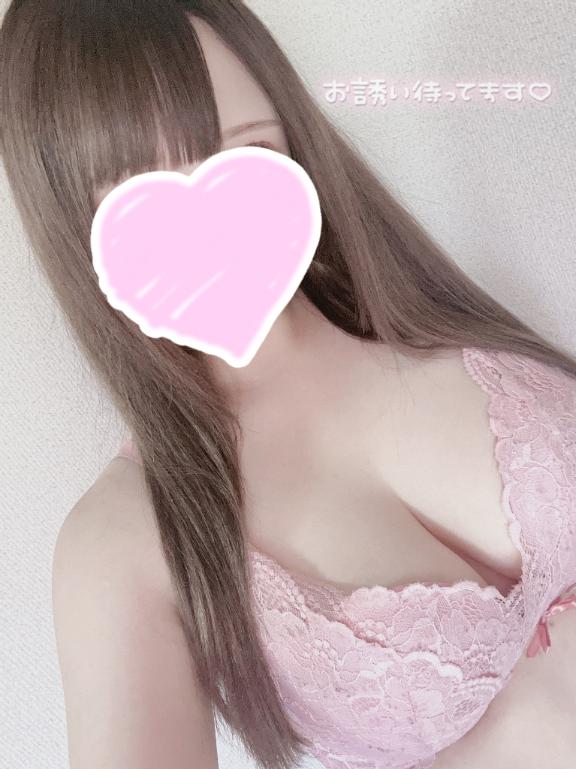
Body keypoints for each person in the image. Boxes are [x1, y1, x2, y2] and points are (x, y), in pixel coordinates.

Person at [1, 2, 576, 769]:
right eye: (143, 196)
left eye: (246, 154)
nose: (215, 223)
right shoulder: (127, 542)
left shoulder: (435, 318)